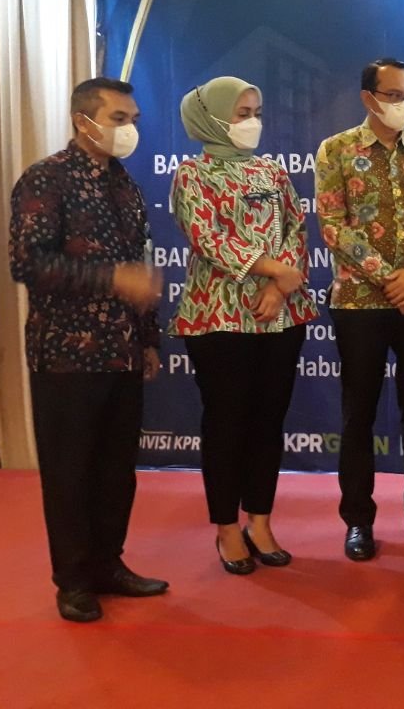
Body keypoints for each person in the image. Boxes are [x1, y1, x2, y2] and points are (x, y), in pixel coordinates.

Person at [9, 77, 168, 623]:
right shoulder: (46, 178)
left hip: (123, 350)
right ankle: (73, 581)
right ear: (84, 120)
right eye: (119, 119)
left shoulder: (126, 185)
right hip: (66, 354)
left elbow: (140, 269)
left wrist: (149, 340)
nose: (129, 129)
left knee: (116, 471)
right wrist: (111, 279)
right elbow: (28, 263)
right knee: (70, 471)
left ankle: (108, 565)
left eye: (133, 120)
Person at [315, 57, 404, 561]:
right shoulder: (336, 150)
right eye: (394, 95)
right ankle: (358, 520)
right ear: (368, 98)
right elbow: (333, 225)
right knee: (359, 414)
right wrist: (389, 279)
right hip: (360, 303)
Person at [169, 76, 317, 575]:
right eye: (241, 113)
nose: (252, 121)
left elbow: (296, 229)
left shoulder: (272, 172)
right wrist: (273, 270)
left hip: (281, 314)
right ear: (212, 119)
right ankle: (227, 528)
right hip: (219, 315)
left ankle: (260, 521)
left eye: (256, 112)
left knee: (268, 421)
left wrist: (280, 287)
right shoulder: (192, 175)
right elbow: (207, 238)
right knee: (226, 422)